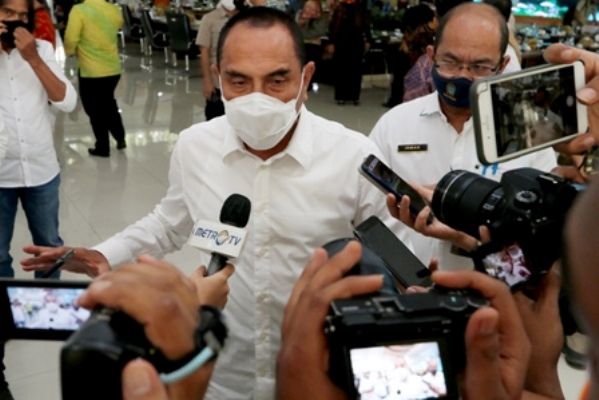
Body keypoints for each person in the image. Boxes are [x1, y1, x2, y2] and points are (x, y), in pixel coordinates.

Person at [22, 7, 407, 399]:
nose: (257, 98)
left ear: (305, 78)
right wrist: (105, 253)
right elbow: (169, 223)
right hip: (223, 373)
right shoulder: (195, 146)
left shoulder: (352, 156)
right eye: (239, 81)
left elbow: (396, 260)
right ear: (218, 77)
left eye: (277, 81)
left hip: (315, 376)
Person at [369, 3, 558, 271]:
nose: (462, 76)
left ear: (502, 66)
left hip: (493, 290)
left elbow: (541, 240)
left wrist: (467, 238)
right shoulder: (394, 124)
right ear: (431, 56)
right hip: (403, 285)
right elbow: (367, 216)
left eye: (479, 67)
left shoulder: (528, 131)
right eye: (450, 62)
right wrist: (394, 279)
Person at [0, 0, 77, 398]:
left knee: (48, 244)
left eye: (19, 14)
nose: (12, 20)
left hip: (41, 168)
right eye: (5, 12)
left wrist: (32, 58)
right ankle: (3, 319)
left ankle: (46, 314)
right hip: (0, 173)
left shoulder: (43, 50)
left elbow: (67, 101)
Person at [64, 0, 126, 157]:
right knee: (108, 103)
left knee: (94, 109)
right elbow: (119, 25)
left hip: (91, 70)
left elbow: (71, 38)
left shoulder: (79, 10)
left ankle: (103, 147)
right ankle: (120, 137)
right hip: (112, 68)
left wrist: (69, 52)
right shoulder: (114, 9)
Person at [195, 0, 238, 121]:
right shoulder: (210, 19)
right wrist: (207, 81)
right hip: (218, 81)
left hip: (240, 82)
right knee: (215, 119)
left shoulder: (245, 18)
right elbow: (204, 51)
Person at [328, 0, 371, 105]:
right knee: (341, 69)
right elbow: (332, 26)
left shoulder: (360, 7)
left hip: (357, 42)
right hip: (341, 42)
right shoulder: (339, 8)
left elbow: (366, 25)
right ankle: (341, 96)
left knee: (356, 69)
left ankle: (354, 96)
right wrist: (331, 42)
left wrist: (368, 40)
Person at [296, 0, 327, 91]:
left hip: (314, 45)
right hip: (301, 43)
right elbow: (297, 32)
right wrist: (304, 22)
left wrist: (310, 21)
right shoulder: (299, 16)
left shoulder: (321, 19)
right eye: (307, 7)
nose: (308, 10)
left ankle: (308, 81)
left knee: (311, 50)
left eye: (311, 8)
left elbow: (317, 32)